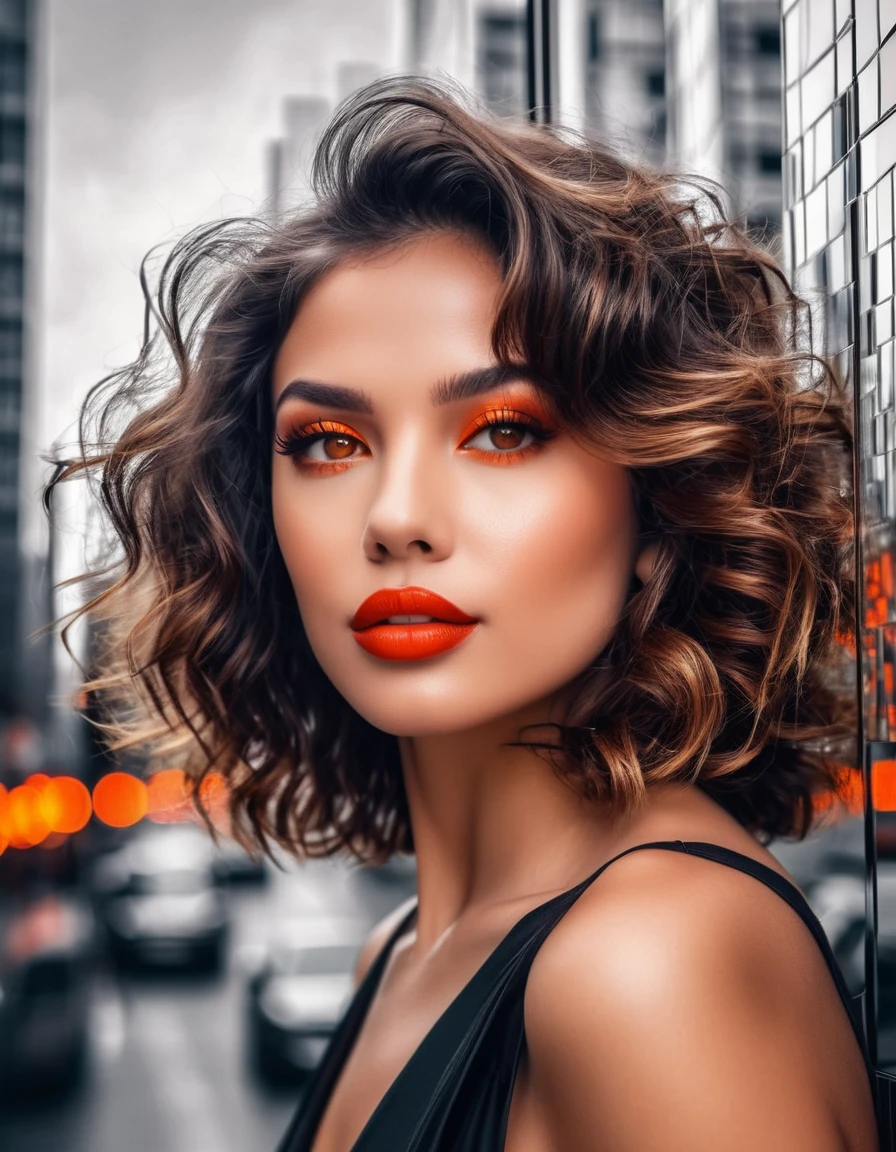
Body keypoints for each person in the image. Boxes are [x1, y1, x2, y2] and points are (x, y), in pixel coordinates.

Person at [57, 78, 879, 1150]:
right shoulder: (397, 952)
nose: (395, 518)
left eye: (501, 431)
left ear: (657, 505)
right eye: (328, 444)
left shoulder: (649, 965)